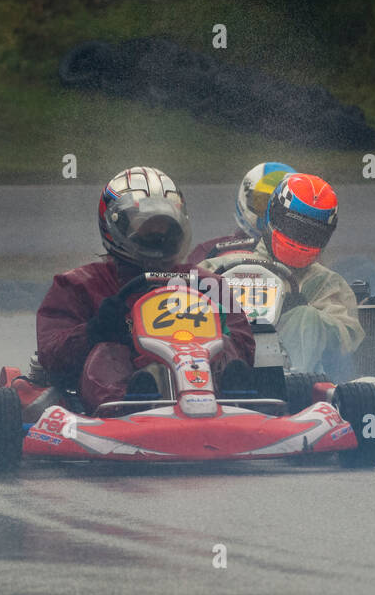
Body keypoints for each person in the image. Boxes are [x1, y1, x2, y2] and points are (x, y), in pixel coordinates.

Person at [36, 166, 255, 412]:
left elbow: (243, 342)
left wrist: (218, 333)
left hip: (207, 384)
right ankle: (131, 401)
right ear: (115, 226)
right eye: (147, 227)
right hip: (127, 389)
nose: (158, 235)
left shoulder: (207, 283)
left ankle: (238, 395)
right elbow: (50, 354)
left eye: (165, 225)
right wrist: (94, 331)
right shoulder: (80, 285)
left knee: (224, 344)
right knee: (106, 353)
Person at [198, 172, 363, 377]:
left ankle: (289, 386)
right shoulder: (219, 266)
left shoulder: (327, 283)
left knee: (307, 316)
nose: (302, 238)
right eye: (295, 227)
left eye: (312, 233)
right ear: (274, 215)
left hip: (295, 386)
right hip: (219, 371)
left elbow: (349, 336)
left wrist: (302, 312)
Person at [186, 161, 295, 265]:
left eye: (280, 210)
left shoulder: (305, 260)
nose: (269, 216)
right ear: (245, 197)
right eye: (263, 203)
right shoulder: (208, 251)